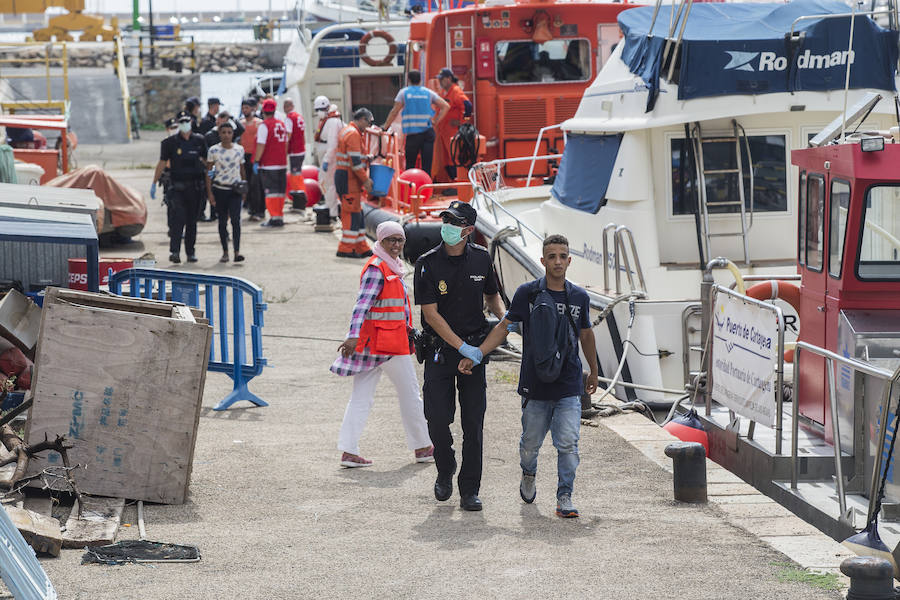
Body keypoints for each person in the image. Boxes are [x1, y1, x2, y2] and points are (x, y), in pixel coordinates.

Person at [459, 234, 598, 518]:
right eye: (552, 256)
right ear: (543, 261)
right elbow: (505, 326)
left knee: (568, 443)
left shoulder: (580, 297)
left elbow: (586, 334)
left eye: (562, 256)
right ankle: (528, 473)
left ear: (569, 260)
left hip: (569, 384)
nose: (557, 261)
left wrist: (594, 371)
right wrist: (478, 353)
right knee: (529, 445)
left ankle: (564, 496)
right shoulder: (528, 294)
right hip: (535, 384)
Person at [413, 200, 506, 511]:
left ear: (468, 229)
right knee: (437, 419)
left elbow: (492, 295)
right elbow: (431, 314)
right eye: (446, 220)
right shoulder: (427, 262)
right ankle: (445, 467)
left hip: (474, 354)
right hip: (442, 351)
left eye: (454, 222)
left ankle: (469, 490)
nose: (447, 226)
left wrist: (505, 319)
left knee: (473, 425)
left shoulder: (481, 259)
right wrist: (460, 347)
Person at [331, 221, 434, 468]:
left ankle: (348, 451)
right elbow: (361, 305)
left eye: (400, 240)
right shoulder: (378, 268)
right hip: (386, 345)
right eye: (391, 240)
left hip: (376, 344)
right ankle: (422, 447)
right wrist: (352, 335)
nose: (396, 245)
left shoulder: (390, 267)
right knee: (410, 394)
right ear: (381, 241)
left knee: (361, 397)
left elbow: (392, 308)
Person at [151, 111, 208, 263]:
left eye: (186, 121)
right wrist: (154, 182)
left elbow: (206, 161)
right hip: (177, 188)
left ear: (191, 123)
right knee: (177, 221)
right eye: (181, 121)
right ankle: (174, 252)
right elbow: (162, 163)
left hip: (195, 188)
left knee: (192, 222)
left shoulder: (199, 140)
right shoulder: (169, 143)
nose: (184, 124)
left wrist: (211, 175)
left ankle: (191, 252)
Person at [381, 70, 449, 175]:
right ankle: (427, 189)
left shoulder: (404, 93)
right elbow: (446, 106)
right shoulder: (428, 93)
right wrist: (435, 121)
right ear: (420, 80)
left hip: (413, 135)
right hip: (428, 133)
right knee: (427, 166)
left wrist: (385, 127)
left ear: (409, 80)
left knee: (410, 166)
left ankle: (410, 189)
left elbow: (394, 111)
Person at [334, 108, 374, 258]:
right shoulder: (353, 134)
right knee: (351, 213)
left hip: (348, 178)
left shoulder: (348, 131)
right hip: (348, 179)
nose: (369, 126)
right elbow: (355, 163)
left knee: (357, 212)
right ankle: (346, 248)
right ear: (362, 119)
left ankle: (360, 246)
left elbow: (354, 157)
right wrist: (366, 180)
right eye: (369, 122)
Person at [206, 121, 246, 263]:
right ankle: (225, 252)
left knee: (236, 221)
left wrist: (244, 189)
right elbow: (210, 172)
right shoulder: (213, 151)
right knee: (222, 222)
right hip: (220, 189)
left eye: (229, 132)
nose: (226, 135)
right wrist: (210, 192)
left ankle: (236, 251)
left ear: (233, 134)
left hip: (235, 190)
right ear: (219, 134)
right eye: (223, 132)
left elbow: (242, 169)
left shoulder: (239, 149)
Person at [253, 98, 289, 228]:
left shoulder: (264, 125)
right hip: (281, 164)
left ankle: (274, 218)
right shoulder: (281, 124)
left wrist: (256, 161)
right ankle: (279, 216)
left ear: (263, 110)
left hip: (269, 165)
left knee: (271, 192)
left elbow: (261, 145)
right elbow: (285, 144)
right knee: (280, 192)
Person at [433, 68, 469, 182]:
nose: (440, 82)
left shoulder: (456, 91)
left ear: (448, 79)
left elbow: (467, 105)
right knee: (448, 160)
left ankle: (459, 184)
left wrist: (462, 122)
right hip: (445, 132)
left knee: (455, 158)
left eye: (442, 80)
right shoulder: (446, 92)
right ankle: (453, 183)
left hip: (453, 132)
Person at [313, 96, 343, 222]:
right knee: (326, 183)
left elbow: (332, 144)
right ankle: (331, 208)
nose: (318, 112)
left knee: (328, 184)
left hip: (329, 157)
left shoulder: (332, 122)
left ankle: (332, 212)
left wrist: (326, 160)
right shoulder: (327, 119)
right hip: (325, 153)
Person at [240, 98, 265, 221]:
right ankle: (251, 208)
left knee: (257, 185)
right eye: (243, 108)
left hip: (255, 156)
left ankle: (260, 210)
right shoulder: (240, 123)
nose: (245, 110)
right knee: (247, 183)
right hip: (244, 156)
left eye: (247, 108)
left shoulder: (259, 123)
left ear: (253, 109)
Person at [283, 97, 305, 175]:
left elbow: (287, 137)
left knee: (295, 175)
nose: (284, 108)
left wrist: (284, 152)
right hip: (301, 149)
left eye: (285, 106)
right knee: (298, 173)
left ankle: (298, 187)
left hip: (294, 151)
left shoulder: (289, 118)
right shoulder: (299, 116)